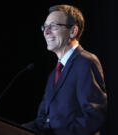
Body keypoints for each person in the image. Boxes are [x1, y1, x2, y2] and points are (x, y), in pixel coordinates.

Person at [23, 4, 107, 135]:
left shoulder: (85, 62)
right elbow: (42, 121)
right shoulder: (53, 74)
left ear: (73, 31)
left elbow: (93, 116)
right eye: (45, 27)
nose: (46, 32)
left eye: (53, 26)